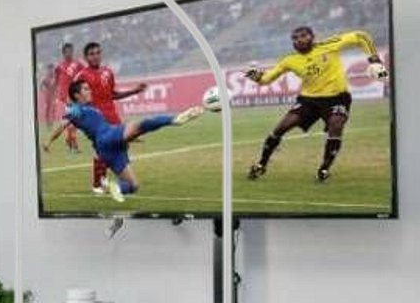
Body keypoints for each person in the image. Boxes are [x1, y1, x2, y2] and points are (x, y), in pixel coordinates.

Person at [243, 25, 388, 183]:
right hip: (309, 100)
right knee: (281, 127)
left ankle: (324, 169)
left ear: (312, 37)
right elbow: (266, 79)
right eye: (295, 38)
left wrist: (374, 60)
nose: (299, 40)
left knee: (336, 125)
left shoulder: (329, 45)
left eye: (303, 36)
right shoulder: (289, 61)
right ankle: (261, 165)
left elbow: (360, 36)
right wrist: (255, 76)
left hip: (337, 97)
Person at [45, 77, 207, 203]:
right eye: (86, 89)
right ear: (77, 95)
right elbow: (62, 125)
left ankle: (114, 187)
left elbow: (96, 127)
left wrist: (131, 138)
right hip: (107, 138)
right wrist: (48, 141)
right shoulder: (76, 109)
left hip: (108, 149)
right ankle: (176, 120)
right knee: (142, 124)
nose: (90, 91)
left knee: (133, 186)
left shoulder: (90, 108)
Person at [77, 41, 147, 193]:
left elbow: (112, 94)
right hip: (98, 121)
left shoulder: (107, 72)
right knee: (103, 151)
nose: (95, 56)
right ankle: (98, 184)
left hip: (113, 117)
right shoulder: (82, 76)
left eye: (98, 53)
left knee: (121, 147)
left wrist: (134, 91)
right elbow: (77, 101)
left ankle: (112, 182)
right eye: (91, 54)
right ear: (85, 57)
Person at [40, 41, 85, 153]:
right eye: (67, 51)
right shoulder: (59, 67)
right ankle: (71, 146)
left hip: (76, 97)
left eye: (71, 51)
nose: (70, 53)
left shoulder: (78, 64)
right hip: (67, 99)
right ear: (63, 53)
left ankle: (59, 144)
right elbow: (55, 82)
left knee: (69, 123)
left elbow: (84, 76)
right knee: (69, 123)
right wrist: (51, 91)